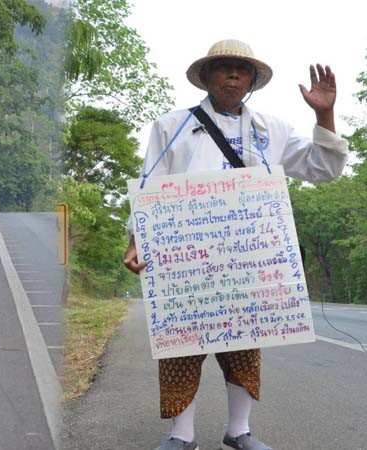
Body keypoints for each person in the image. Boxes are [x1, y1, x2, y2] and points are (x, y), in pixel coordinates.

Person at [124, 39, 348, 450]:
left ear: (251, 81)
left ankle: (239, 431)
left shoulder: (273, 130)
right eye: (223, 67)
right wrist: (136, 238)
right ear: (206, 77)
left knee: (245, 343)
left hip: (247, 258)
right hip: (187, 258)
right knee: (181, 343)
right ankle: (181, 435)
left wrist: (325, 113)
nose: (232, 74)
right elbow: (147, 185)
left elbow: (323, 168)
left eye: (240, 69)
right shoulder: (170, 127)